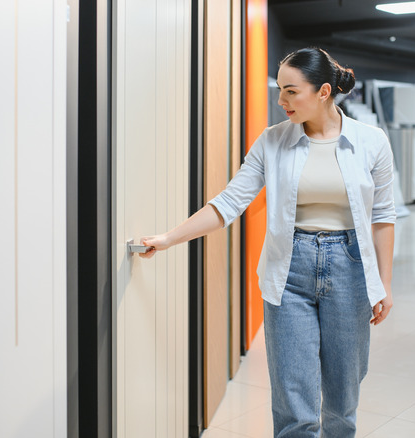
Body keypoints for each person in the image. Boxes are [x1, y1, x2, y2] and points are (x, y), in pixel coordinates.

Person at [140, 47, 395, 438]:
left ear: (324, 91)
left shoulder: (370, 142)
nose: (281, 100)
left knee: (343, 399)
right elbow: (229, 202)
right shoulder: (272, 141)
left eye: (292, 91)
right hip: (288, 270)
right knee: (294, 402)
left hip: (350, 269)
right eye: (281, 89)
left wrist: (384, 284)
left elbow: (382, 217)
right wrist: (170, 238)